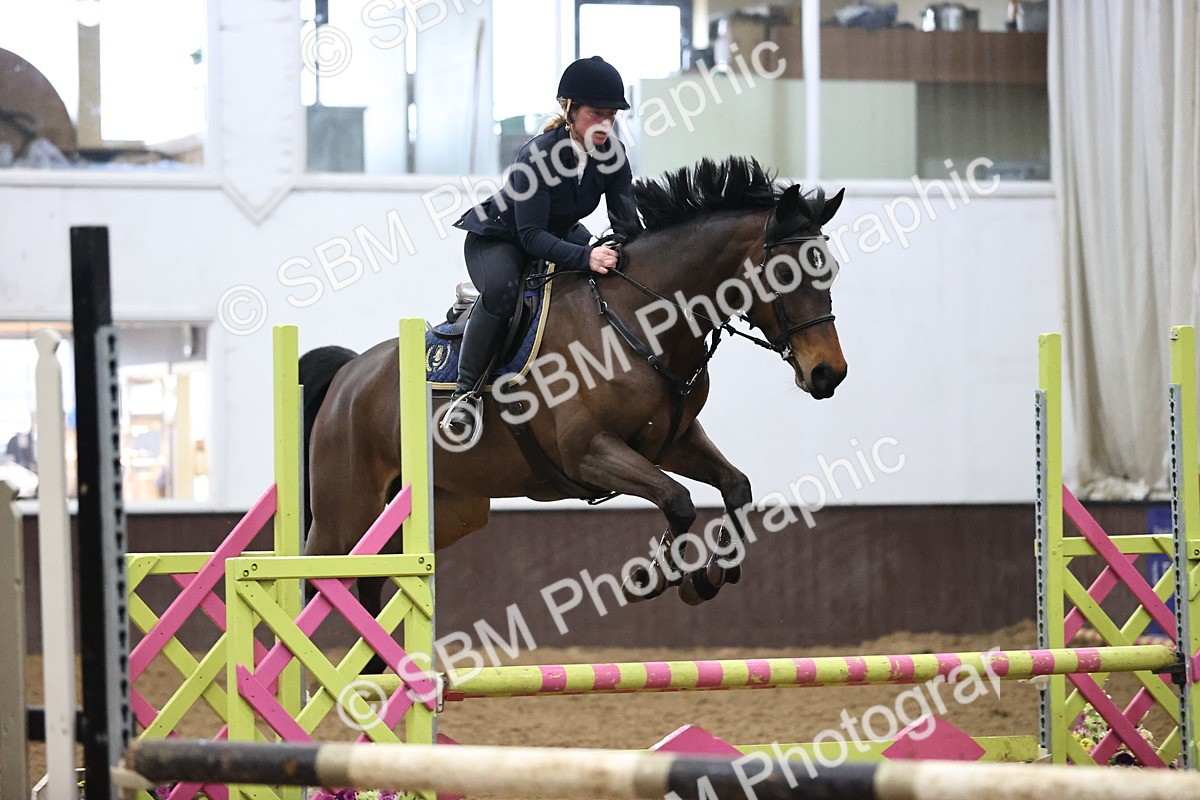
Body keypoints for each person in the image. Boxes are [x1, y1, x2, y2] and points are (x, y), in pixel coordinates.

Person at [441, 55, 643, 438]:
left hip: (558, 233)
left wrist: (618, 248)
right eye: (596, 114)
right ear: (570, 110)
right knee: (504, 292)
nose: (605, 124)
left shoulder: (613, 155)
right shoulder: (537, 155)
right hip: (501, 238)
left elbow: (628, 225)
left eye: (612, 116)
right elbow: (530, 236)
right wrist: (586, 256)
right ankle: (464, 394)